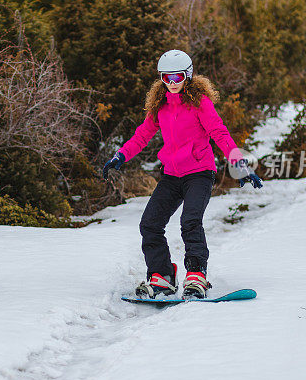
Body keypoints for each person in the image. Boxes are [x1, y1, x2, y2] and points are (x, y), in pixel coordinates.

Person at [102, 50, 263, 299]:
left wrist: (239, 166)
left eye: (177, 77)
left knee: (190, 222)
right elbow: (143, 134)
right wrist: (121, 155)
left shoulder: (200, 103)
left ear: (187, 76)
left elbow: (220, 133)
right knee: (150, 224)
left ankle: (197, 275)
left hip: (199, 173)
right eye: (167, 78)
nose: (172, 83)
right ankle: (162, 277)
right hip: (172, 174)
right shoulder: (160, 106)